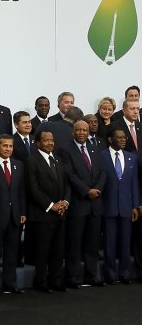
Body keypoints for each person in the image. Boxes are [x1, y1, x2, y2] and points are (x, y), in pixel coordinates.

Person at [58, 120, 106, 288]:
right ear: (73, 131)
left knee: (93, 244)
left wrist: (97, 189)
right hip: (78, 203)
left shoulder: (94, 148)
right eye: (78, 130)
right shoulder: (64, 149)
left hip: (95, 204)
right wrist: (87, 191)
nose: (82, 133)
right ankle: (73, 277)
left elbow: (102, 172)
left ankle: (91, 275)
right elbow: (69, 175)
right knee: (74, 243)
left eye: (85, 130)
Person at [0, 135, 27, 295]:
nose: (8, 149)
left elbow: (21, 191)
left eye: (10, 146)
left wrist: (22, 211)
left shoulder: (18, 165)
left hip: (15, 215)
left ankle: (10, 283)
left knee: (12, 252)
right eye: (5, 146)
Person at [27, 130, 70, 292]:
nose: (50, 143)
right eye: (46, 140)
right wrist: (52, 205)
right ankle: (40, 282)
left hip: (60, 213)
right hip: (42, 214)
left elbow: (66, 184)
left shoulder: (58, 159)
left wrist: (64, 202)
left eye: (51, 140)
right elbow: (33, 189)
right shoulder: (31, 161)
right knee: (42, 251)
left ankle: (56, 281)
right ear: (38, 143)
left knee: (58, 250)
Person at [101, 129, 139, 284]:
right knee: (109, 242)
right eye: (119, 137)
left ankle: (125, 273)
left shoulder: (132, 157)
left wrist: (135, 205)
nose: (123, 140)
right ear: (111, 139)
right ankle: (110, 273)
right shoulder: (101, 156)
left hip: (126, 206)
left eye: (124, 137)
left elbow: (134, 183)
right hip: (108, 206)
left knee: (125, 242)